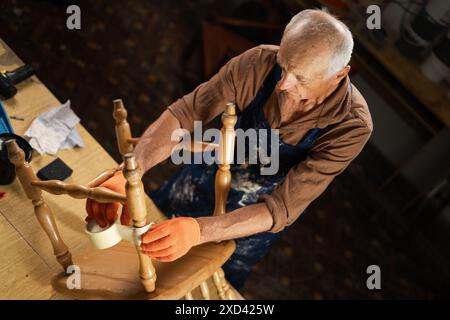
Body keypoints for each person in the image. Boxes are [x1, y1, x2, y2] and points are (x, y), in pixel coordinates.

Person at [85, 9, 373, 290]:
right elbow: (187, 113)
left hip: (247, 222)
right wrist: (130, 172)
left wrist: (200, 231)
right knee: (134, 265)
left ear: (340, 74)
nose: (283, 84)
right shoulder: (260, 61)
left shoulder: (351, 126)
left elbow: (282, 207)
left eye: (301, 79)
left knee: (201, 286)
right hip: (200, 180)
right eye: (284, 66)